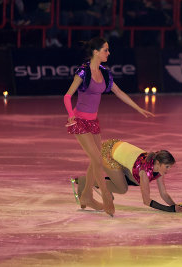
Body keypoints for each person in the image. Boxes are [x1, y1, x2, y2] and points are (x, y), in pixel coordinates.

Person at [64, 37, 154, 217]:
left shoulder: (105, 72)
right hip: (79, 121)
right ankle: (105, 195)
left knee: (95, 160)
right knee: (97, 159)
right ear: (96, 52)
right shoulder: (83, 72)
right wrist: (71, 114)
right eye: (105, 50)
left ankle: (86, 196)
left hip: (93, 122)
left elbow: (119, 92)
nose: (108, 53)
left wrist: (138, 108)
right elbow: (67, 96)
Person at [72, 139, 182, 213]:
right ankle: (84, 181)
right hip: (108, 153)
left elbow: (164, 193)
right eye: (167, 167)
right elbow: (146, 201)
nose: (168, 170)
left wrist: (175, 206)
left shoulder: (158, 169)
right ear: (158, 163)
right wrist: (169, 209)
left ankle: (92, 182)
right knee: (122, 188)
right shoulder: (144, 172)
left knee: (132, 181)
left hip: (119, 150)